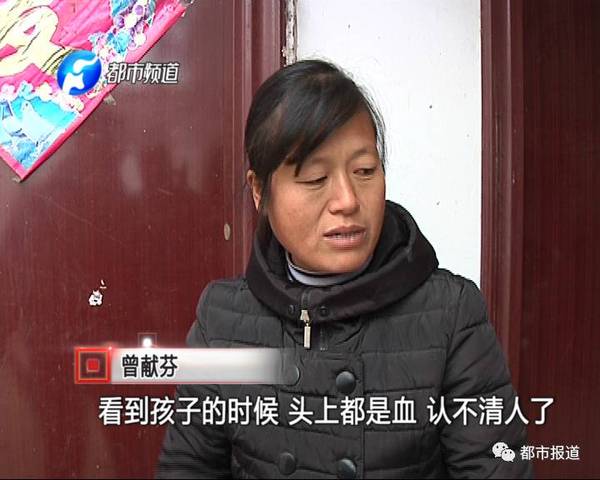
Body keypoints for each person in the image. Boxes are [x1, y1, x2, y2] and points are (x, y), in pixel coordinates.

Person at [156, 59, 533, 478]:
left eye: (365, 171)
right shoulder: (221, 319)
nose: (348, 200)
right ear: (260, 191)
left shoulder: (451, 313)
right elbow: (187, 467)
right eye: (316, 178)